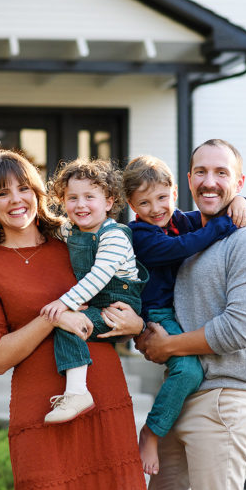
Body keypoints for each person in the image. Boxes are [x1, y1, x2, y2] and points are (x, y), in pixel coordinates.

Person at [0, 149, 148, 490]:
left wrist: (136, 325)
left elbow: (114, 302)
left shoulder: (75, 241)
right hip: (42, 411)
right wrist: (54, 318)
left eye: (23, 189)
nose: (16, 200)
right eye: (3, 193)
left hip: (103, 397)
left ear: (38, 193)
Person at [135, 139, 246, 490]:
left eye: (221, 173)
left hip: (222, 399)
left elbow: (238, 330)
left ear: (239, 183)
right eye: (201, 172)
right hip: (179, 396)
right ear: (188, 180)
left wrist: (168, 346)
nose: (209, 181)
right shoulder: (183, 231)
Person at [39, 159, 148, 424]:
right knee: (70, 322)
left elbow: (98, 276)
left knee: (69, 325)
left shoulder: (114, 236)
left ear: (109, 202)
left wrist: (66, 302)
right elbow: (46, 232)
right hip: (95, 304)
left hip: (116, 305)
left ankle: (77, 392)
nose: (80, 204)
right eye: (72, 197)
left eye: (90, 196)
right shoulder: (70, 230)